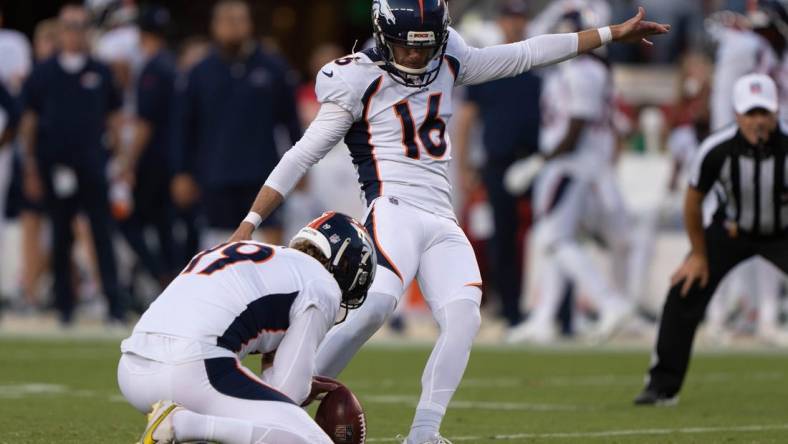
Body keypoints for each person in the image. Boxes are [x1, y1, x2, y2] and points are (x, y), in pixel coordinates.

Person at [230, 1, 668, 441]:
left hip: (441, 216)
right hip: (393, 206)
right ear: (384, 36)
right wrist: (251, 220)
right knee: (374, 308)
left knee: (464, 318)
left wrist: (610, 33)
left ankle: (423, 432)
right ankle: (278, 403)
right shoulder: (356, 77)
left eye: (427, 46)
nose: (418, 57)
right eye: (407, 47)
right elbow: (302, 153)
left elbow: (527, 52)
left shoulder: (451, 57)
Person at [118, 212, 376, 444]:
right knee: (309, 439)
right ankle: (182, 424)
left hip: (133, 371)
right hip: (188, 371)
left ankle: (185, 427)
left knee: (235, 424)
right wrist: (299, 384)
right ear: (346, 266)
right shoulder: (323, 286)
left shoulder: (256, 257)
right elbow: (289, 391)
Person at [634, 74, 788, 406]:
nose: (758, 122)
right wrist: (698, 255)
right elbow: (693, 202)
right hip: (731, 230)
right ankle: (662, 385)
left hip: (783, 231)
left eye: (765, 113)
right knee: (684, 291)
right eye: (751, 114)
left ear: (777, 114)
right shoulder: (717, 149)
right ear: (736, 114)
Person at [506, 6, 634, 344]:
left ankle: (610, 301)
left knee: (555, 239)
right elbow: (535, 34)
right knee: (556, 240)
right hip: (576, 165)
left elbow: (575, 127)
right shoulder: (579, 69)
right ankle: (545, 317)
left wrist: (537, 162)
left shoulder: (585, 70)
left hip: (572, 165)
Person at [19, 4, 126, 325]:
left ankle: (114, 304)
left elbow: (115, 119)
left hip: (93, 164)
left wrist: (119, 159)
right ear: (61, 30)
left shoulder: (101, 71)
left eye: (80, 26)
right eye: (69, 26)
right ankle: (64, 305)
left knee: (102, 234)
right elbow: (29, 122)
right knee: (61, 235)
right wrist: (31, 166)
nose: (75, 32)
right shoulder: (44, 73)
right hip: (56, 166)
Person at [171, 0, 302, 249]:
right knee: (217, 244)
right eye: (226, 20)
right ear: (214, 26)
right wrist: (181, 171)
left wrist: (301, 167)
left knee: (270, 242)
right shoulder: (199, 72)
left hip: (264, 174)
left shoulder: (273, 67)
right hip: (215, 174)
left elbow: (291, 119)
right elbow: (183, 126)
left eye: (239, 20)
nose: (233, 26)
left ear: (250, 24)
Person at [454, 0, 542, 328]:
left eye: (520, 17)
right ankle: (508, 308)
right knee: (501, 237)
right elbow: (467, 120)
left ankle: (540, 309)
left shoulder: (536, 67)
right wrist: (464, 167)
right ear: (501, 22)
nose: (515, 24)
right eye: (511, 18)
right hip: (498, 161)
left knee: (539, 237)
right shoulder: (490, 65)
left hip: (534, 161)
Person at [115, 5, 177, 288]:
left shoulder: (152, 69)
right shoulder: (172, 64)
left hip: (152, 159)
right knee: (164, 226)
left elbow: (145, 124)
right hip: (172, 158)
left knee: (128, 221)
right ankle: (169, 276)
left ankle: (162, 275)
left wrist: (127, 164)